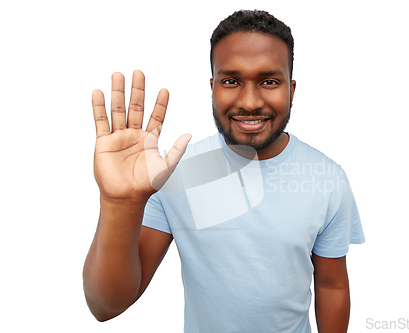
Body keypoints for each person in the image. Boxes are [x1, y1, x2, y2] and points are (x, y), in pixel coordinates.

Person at [83, 9, 365, 333]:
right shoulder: (175, 174)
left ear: (292, 89)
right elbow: (106, 306)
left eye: (269, 81)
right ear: (212, 86)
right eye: (231, 81)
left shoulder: (327, 179)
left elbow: (332, 286)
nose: (249, 101)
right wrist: (119, 203)